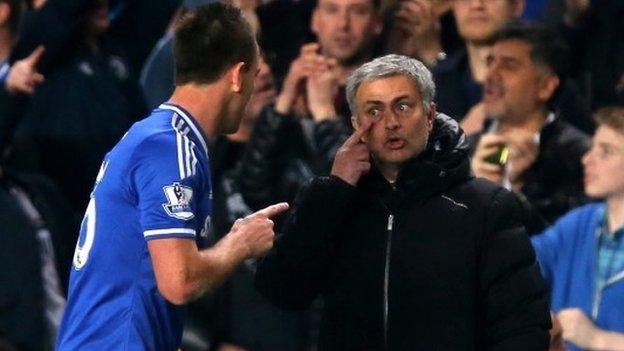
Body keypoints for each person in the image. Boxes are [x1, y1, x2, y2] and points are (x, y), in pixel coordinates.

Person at [255, 54, 551, 350]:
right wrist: (335, 190)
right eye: (374, 111)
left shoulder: (486, 206)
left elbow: (523, 326)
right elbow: (282, 292)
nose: (391, 122)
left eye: (403, 106)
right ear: (356, 123)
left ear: (430, 114)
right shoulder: (332, 202)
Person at [56, 4, 288, 350]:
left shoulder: (156, 136)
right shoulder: (169, 147)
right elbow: (179, 281)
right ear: (238, 75)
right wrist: (240, 243)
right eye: (255, 73)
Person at [469, 21, 590, 233]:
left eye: (508, 65)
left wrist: (512, 192)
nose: (490, 76)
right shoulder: (461, 150)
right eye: (490, 62)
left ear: (545, 86)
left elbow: (565, 249)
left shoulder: (579, 158)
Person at [532, 106, 624, 351]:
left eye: (606, 152)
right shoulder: (578, 224)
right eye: (593, 147)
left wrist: (598, 340)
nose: (587, 159)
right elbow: (514, 265)